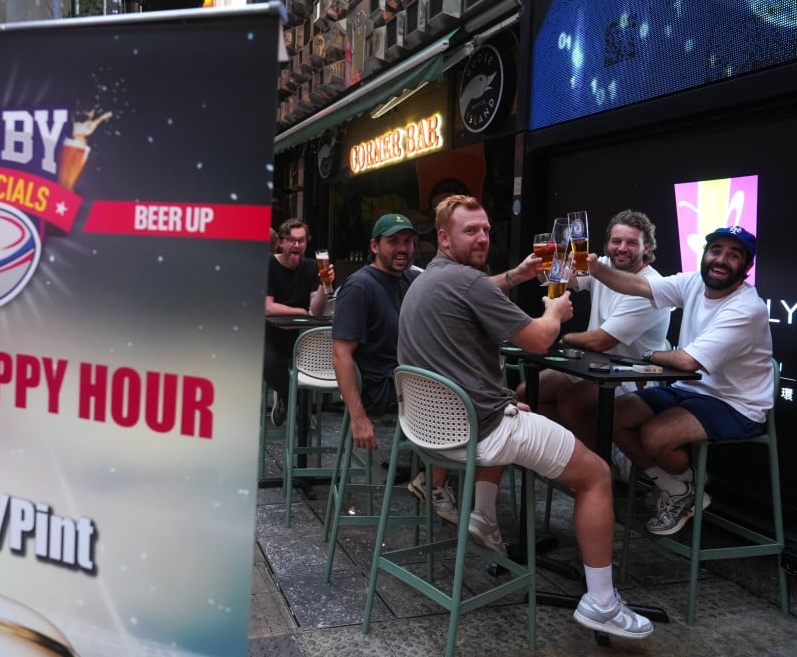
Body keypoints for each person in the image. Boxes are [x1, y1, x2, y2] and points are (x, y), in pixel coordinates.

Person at [398, 194, 654, 639]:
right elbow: (538, 340)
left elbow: (474, 294)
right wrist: (553, 312)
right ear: (443, 237)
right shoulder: (468, 282)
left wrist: (515, 276)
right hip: (482, 430)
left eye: (485, 229)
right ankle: (601, 602)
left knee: (512, 402)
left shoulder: (429, 281)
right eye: (469, 231)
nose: (482, 237)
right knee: (595, 474)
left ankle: (483, 516)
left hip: (432, 431)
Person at [588, 225, 773, 536]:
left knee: (654, 435)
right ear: (705, 254)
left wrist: (650, 355)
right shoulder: (693, 282)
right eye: (716, 251)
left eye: (734, 254)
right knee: (615, 415)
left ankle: (683, 486)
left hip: (737, 404)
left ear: (747, 266)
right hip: (690, 390)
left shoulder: (748, 308)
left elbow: (687, 361)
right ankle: (678, 487)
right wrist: (595, 269)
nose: (721, 259)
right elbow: (638, 286)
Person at [517, 210, 671, 472]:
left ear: (647, 248)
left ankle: (602, 466)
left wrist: (558, 333)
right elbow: (556, 278)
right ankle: (577, 454)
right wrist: (544, 262)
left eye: (631, 243)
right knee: (527, 393)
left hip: (631, 375)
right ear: (607, 243)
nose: (622, 248)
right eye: (616, 241)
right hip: (593, 367)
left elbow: (601, 341)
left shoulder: (650, 286)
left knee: (570, 401)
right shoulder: (604, 267)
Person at [332, 213, 420, 450]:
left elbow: (456, 288)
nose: (403, 248)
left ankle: (431, 473)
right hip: (382, 391)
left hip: (407, 380)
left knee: (468, 387)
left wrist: (511, 277)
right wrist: (358, 418)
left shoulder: (408, 278)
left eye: (408, 241)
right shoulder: (359, 286)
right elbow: (341, 355)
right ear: (374, 245)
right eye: (393, 242)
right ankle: (434, 480)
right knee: (461, 399)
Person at [264, 218, 334, 424]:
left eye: (301, 241)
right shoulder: (268, 264)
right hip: (272, 334)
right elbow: (267, 307)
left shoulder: (313, 267)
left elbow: (317, 310)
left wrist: (324, 285)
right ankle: (291, 401)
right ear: (280, 243)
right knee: (267, 363)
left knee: (316, 362)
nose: (297, 245)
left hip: (301, 336)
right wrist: (302, 310)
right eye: (292, 241)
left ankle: (294, 403)